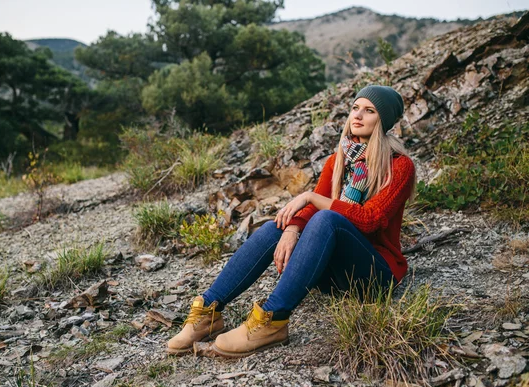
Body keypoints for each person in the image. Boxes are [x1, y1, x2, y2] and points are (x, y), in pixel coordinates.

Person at [167, 85, 416, 358]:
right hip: (336, 275)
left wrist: (309, 197)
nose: (358, 116)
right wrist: (293, 228)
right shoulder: (338, 160)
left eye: (369, 111)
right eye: (355, 108)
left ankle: (272, 321)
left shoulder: (399, 166)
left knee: (326, 218)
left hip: (374, 276)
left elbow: (369, 221)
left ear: (383, 120)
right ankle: (208, 311)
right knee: (279, 225)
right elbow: (311, 211)